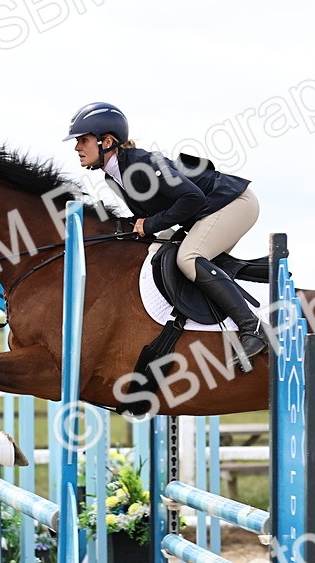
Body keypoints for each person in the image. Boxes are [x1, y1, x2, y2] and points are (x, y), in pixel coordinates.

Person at [64, 101, 266, 371]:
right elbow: (153, 216)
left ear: (107, 141)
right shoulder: (114, 176)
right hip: (207, 209)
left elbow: (191, 198)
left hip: (233, 203)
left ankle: (252, 327)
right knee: (157, 254)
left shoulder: (139, 164)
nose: (77, 147)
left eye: (83, 140)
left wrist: (149, 225)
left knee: (188, 257)